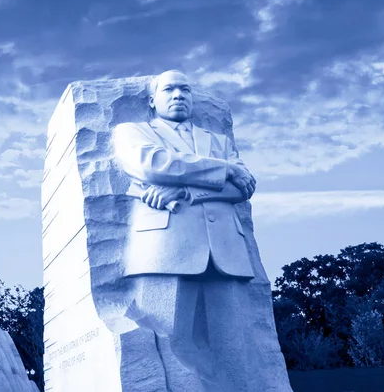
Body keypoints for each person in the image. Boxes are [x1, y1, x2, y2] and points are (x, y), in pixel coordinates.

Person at [112, 69, 291, 392]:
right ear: (152, 101)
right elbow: (155, 164)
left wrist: (187, 193)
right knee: (171, 341)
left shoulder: (218, 141)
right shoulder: (133, 131)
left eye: (185, 89)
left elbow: (242, 189)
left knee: (235, 346)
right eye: (169, 90)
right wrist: (224, 168)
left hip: (226, 250)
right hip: (166, 248)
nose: (178, 95)